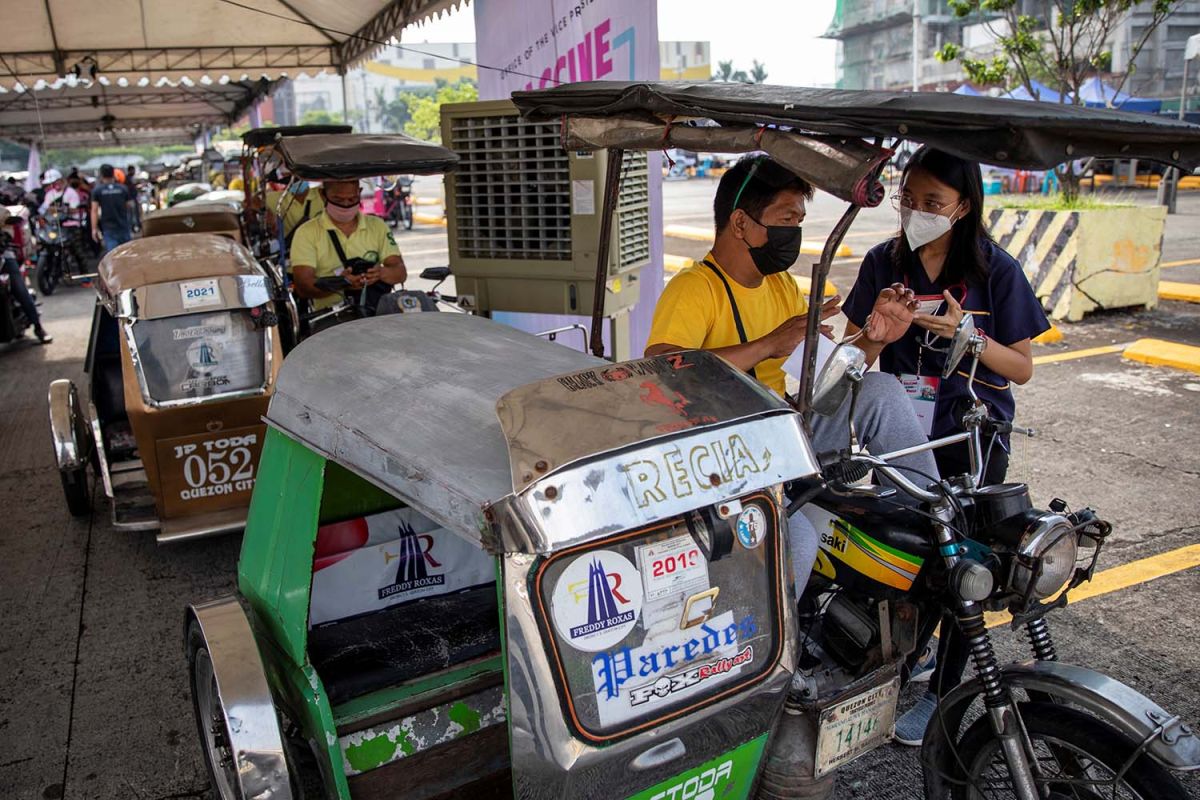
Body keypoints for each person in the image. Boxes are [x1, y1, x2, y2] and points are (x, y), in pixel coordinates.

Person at [645, 155, 939, 604]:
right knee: (796, 540)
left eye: (799, 221)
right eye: (786, 220)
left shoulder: (781, 286)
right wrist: (765, 345)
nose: (794, 234)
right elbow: (663, 369)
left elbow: (820, 385)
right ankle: (778, 666)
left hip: (787, 431)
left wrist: (872, 341)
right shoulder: (694, 288)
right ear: (741, 222)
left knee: (881, 390)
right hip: (725, 456)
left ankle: (935, 519)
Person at [841, 145, 1050, 745]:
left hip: (971, 437)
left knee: (968, 564)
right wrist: (879, 333)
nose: (916, 212)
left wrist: (970, 336)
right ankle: (909, 658)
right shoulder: (885, 263)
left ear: (963, 206)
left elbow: (1022, 367)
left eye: (932, 202)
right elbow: (855, 351)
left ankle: (941, 692)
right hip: (902, 437)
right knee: (907, 556)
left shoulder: (995, 271)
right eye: (909, 199)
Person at [289, 178, 406, 325]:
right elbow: (303, 286)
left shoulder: (377, 226)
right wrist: (341, 283)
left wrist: (379, 273)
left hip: (376, 316)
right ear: (322, 195)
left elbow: (400, 272)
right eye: (338, 199)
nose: (345, 205)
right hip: (330, 319)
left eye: (352, 198)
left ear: (360, 193)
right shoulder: (306, 233)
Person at [1, 223, 51, 344]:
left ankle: (38, 327)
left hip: (4, 258)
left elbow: (8, 231)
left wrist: (3, 238)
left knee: (20, 290)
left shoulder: (2, 212)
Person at [90, 164, 135, 253]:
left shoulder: (97, 190)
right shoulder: (123, 188)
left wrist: (94, 229)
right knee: (128, 253)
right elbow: (130, 206)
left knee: (113, 255)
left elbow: (94, 211)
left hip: (108, 228)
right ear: (113, 174)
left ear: (101, 175)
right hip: (123, 225)